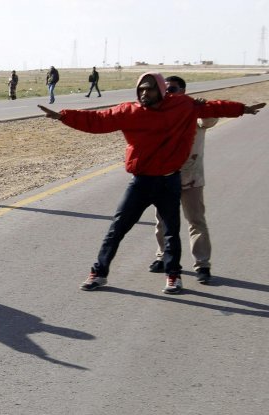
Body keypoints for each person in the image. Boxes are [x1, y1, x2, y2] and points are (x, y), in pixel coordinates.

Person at [38, 72, 264, 294]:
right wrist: (63, 116)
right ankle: (99, 273)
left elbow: (214, 107)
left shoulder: (182, 106)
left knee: (171, 232)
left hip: (169, 181)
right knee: (117, 229)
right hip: (141, 182)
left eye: (149, 88)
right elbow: (99, 120)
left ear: (161, 90)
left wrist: (242, 109)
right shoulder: (129, 111)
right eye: (141, 89)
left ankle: (173, 276)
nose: (144, 92)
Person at [149, 75, 217, 283]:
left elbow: (209, 120)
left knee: (196, 221)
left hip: (191, 177)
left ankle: (202, 265)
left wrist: (202, 107)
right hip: (163, 177)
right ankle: (162, 256)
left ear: (184, 91)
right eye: (166, 90)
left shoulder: (194, 112)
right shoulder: (158, 112)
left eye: (174, 89)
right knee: (162, 222)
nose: (169, 93)